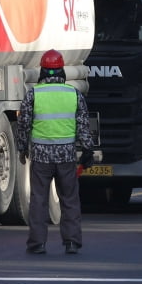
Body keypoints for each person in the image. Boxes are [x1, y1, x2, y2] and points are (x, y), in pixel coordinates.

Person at [15, 49, 94, 255]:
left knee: (39, 200)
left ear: (42, 71)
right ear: (62, 71)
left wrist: (22, 148)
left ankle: (37, 244)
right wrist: (87, 151)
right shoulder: (74, 95)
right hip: (66, 157)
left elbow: (23, 125)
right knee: (69, 199)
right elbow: (83, 127)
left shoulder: (33, 95)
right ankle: (71, 242)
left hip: (41, 157)